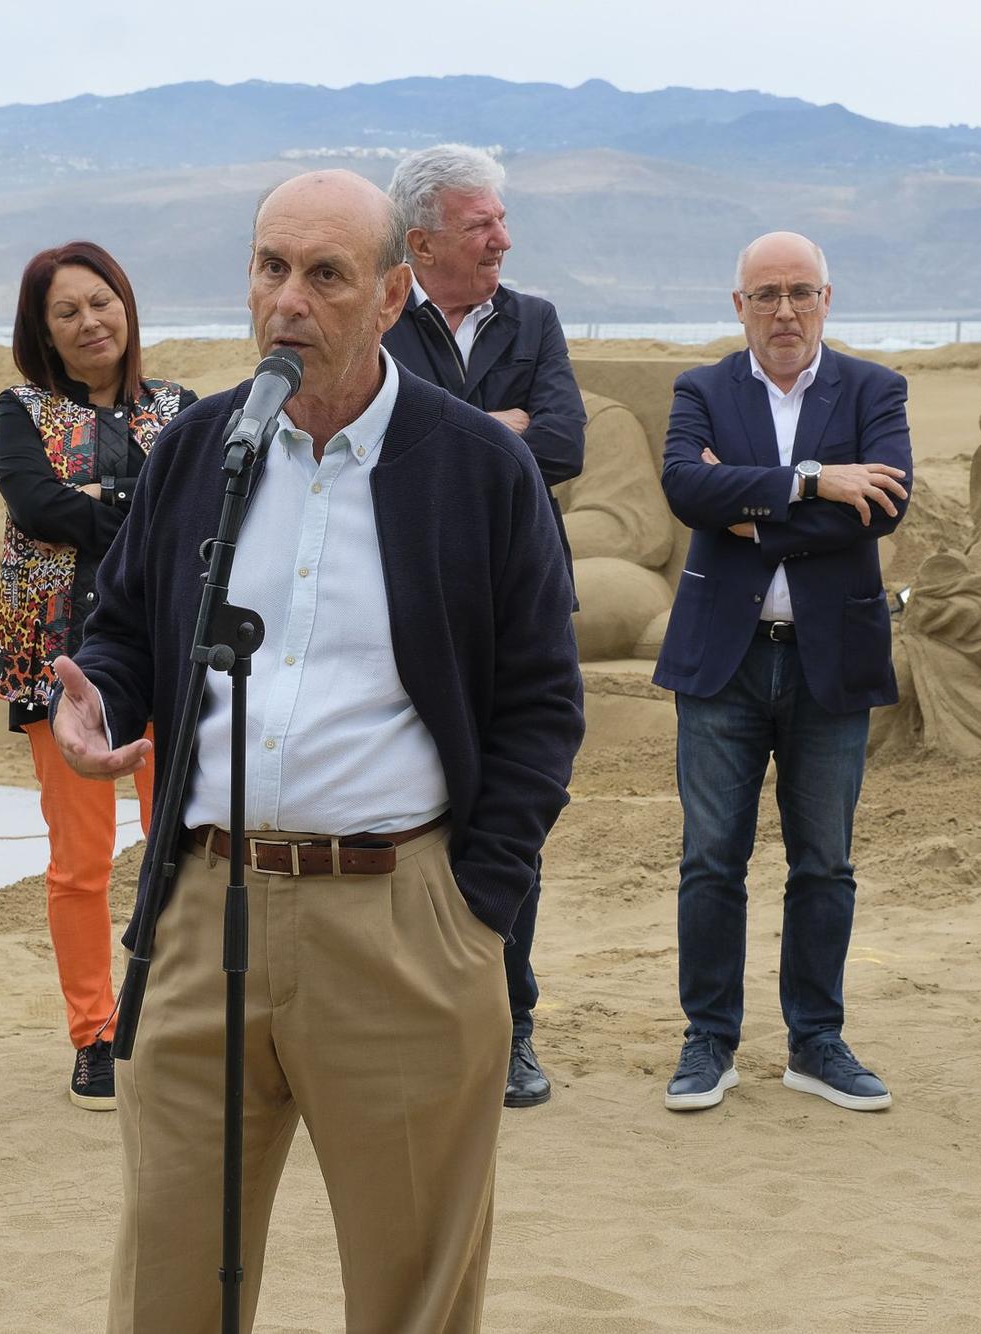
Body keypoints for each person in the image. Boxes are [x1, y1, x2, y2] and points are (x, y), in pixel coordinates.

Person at [48, 169, 582, 1333]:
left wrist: (475, 904)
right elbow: (128, 624)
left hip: (399, 923)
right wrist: (107, 698)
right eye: (269, 267)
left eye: (325, 275)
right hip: (198, 912)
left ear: (392, 294)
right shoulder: (200, 447)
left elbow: (543, 701)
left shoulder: (477, 469)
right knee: (168, 1279)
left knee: (409, 1289)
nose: (287, 300)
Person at [654, 231, 911, 1116]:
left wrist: (753, 507)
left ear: (827, 299)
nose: (785, 309)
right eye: (766, 293)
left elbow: (886, 504)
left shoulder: (876, 389)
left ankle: (816, 1041)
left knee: (825, 864)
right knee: (710, 862)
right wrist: (810, 485)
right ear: (739, 307)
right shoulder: (702, 388)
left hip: (829, 663)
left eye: (801, 291)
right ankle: (709, 1040)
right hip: (720, 665)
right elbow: (687, 488)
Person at [382, 143, 586, 1110]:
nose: (503, 238)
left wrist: (461, 433)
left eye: (501, 221)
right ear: (420, 242)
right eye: (482, 225)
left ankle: (512, 1029)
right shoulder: (381, 319)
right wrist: (494, 428)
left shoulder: (534, 319)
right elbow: (378, 444)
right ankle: (409, 1020)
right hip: (405, 597)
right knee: (405, 813)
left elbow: (567, 442)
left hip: (517, 598)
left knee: (510, 814)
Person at [0, 240, 194, 1112]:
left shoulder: (180, 407)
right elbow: (36, 504)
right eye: (65, 312)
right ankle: (93, 1034)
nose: (88, 322)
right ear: (43, 331)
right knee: (80, 862)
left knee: (175, 847)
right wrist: (130, 507)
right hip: (55, 658)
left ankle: (167, 1016)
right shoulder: (20, 408)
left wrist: (103, 509)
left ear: (127, 304)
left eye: (100, 302)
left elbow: (192, 509)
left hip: (167, 661)